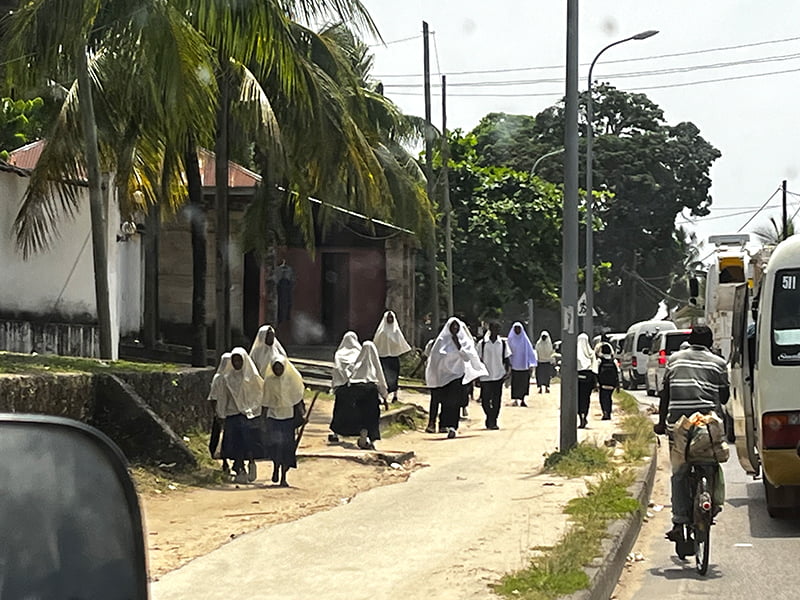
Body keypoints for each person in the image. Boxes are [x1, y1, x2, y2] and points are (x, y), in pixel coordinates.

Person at [653, 325, 729, 542]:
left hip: (679, 425)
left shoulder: (674, 360)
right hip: (708, 425)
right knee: (712, 465)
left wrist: (661, 423)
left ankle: (678, 522)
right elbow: (724, 397)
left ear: (689, 341)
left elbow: (665, 395)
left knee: (679, 473)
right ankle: (712, 505)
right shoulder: (718, 363)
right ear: (710, 343)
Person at [425, 317, 488, 439]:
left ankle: (453, 426)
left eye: (456, 327)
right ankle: (444, 424)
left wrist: (458, 345)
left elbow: (468, 357)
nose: (454, 329)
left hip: (457, 375)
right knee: (445, 402)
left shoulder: (464, 341)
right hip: (443, 377)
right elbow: (435, 359)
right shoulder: (441, 341)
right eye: (452, 326)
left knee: (454, 402)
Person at [218, 348, 264, 484]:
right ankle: (240, 469)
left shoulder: (253, 378)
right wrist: (221, 414)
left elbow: (259, 394)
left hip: (248, 415)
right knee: (235, 443)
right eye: (234, 360)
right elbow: (223, 397)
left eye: (239, 360)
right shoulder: (227, 378)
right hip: (233, 415)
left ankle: (251, 462)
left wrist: (254, 409)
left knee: (248, 443)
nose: (237, 363)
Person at [262, 355, 306, 487]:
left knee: (287, 448)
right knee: (275, 446)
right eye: (275, 368)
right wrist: (263, 419)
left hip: (288, 417)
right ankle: (276, 467)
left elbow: (297, 398)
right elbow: (265, 400)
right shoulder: (269, 381)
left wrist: (301, 415)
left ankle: (283, 476)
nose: (278, 370)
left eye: (280, 368)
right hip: (273, 417)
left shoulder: (292, 380)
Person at [347, 341, 389, 449]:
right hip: (371, 391)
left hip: (357, 390)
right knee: (372, 416)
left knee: (360, 415)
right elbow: (380, 379)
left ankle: (363, 434)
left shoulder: (357, 364)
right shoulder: (375, 364)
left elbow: (350, 379)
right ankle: (371, 439)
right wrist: (384, 396)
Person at [329, 331, 362, 443]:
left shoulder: (339, 354)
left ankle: (336, 433)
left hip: (342, 388)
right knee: (356, 411)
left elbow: (336, 370)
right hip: (355, 387)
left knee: (339, 411)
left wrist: (336, 384)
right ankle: (356, 432)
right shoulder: (359, 353)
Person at [477, 322, 512, 429]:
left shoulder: (503, 344)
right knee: (485, 400)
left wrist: (508, 371)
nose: (495, 331)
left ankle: (493, 420)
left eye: (497, 329)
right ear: (490, 329)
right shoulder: (482, 344)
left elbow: (507, 359)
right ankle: (490, 416)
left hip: (498, 375)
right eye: (493, 328)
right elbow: (478, 360)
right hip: (485, 376)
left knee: (497, 400)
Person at [373, 310, 412, 404]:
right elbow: (376, 343)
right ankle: (383, 396)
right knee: (383, 377)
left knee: (394, 377)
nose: (390, 319)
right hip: (383, 357)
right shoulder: (381, 331)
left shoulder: (396, 331)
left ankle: (395, 396)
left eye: (391, 318)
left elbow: (400, 343)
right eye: (388, 318)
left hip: (393, 357)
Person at [507, 322, 537, 407]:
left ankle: (523, 400)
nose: (517, 330)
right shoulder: (510, 339)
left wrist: (531, 364)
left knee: (523, 384)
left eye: (519, 328)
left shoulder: (525, 340)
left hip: (524, 366)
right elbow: (507, 353)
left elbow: (530, 352)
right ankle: (516, 400)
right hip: (514, 366)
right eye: (516, 328)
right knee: (515, 384)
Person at [577, 333, 597, 429]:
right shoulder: (591, 353)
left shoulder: (575, 353)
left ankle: (581, 416)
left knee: (578, 399)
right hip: (588, 378)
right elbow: (595, 368)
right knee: (586, 399)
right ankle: (584, 415)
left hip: (577, 378)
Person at [595, 342, 619, 420]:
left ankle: (605, 412)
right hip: (612, 383)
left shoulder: (600, 360)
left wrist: (596, 382)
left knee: (603, 398)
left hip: (603, 383)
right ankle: (608, 412)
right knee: (609, 397)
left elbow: (596, 371)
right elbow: (618, 372)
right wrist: (618, 385)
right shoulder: (614, 361)